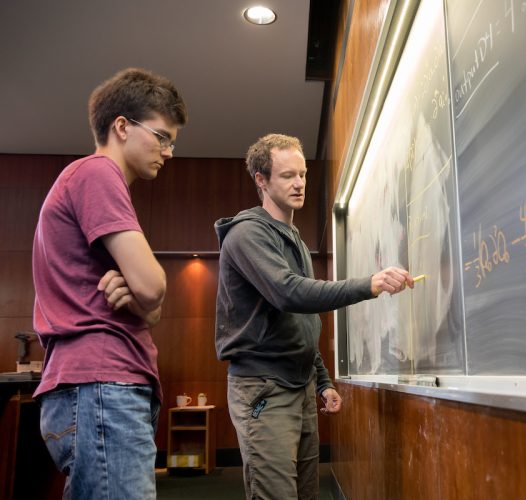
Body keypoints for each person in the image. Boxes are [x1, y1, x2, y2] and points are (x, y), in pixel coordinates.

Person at [215, 133, 414, 499]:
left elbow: (301, 323)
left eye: (303, 174)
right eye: (287, 175)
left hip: (302, 386)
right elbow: (290, 293)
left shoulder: (294, 239)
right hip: (264, 388)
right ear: (261, 180)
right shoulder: (246, 235)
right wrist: (369, 284)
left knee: (306, 494)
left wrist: (321, 381)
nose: (299, 184)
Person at [31, 67, 187, 499]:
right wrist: (146, 292)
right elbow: (153, 288)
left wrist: (143, 296)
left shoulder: (94, 181)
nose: (168, 152)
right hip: (101, 385)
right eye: (161, 136)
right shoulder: (97, 173)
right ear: (121, 126)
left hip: (98, 388)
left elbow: (149, 305)